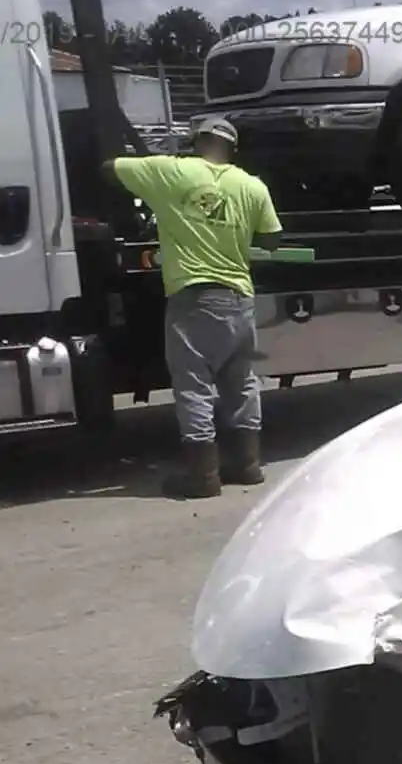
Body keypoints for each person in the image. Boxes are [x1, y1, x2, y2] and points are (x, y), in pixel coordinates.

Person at [103, 116, 282, 499]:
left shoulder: (171, 172)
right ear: (233, 150)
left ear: (195, 142)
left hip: (194, 297)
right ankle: (248, 466)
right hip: (239, 297)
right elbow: (271, 240)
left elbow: (109, 168)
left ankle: (203, 477)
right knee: (241, 382)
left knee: (194, 386)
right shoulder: (252, 186)